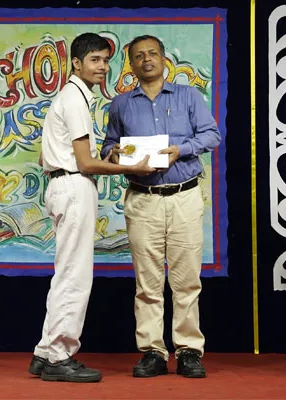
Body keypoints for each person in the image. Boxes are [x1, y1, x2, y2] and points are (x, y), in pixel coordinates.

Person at [28, 32, 155, 383]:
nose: (102, 67)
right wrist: (131, 167)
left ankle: (45, 352)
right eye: (95, 60)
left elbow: (48, 156)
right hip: (73, 186)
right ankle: (59, 356)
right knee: (75, 276)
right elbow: (84, 164)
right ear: (76, 63)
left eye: (105, 60)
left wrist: (108, 158)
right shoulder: (75, 100)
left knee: (66, 272)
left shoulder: (69, 97)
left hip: (64, 184)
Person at [101, 35, 221, 379]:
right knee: (147, 282)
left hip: (184, 196)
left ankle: (188, 351)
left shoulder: (188, 96)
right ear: (132, 65)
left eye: (152, 53)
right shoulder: (121, 104)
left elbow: (211, 135)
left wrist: (180, 150)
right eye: (139, 56)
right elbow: (109, 146)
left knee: (186, 280)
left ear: (164, 59)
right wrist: (115, 154)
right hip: (142, 199)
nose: (146, 60)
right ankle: (152, 351)